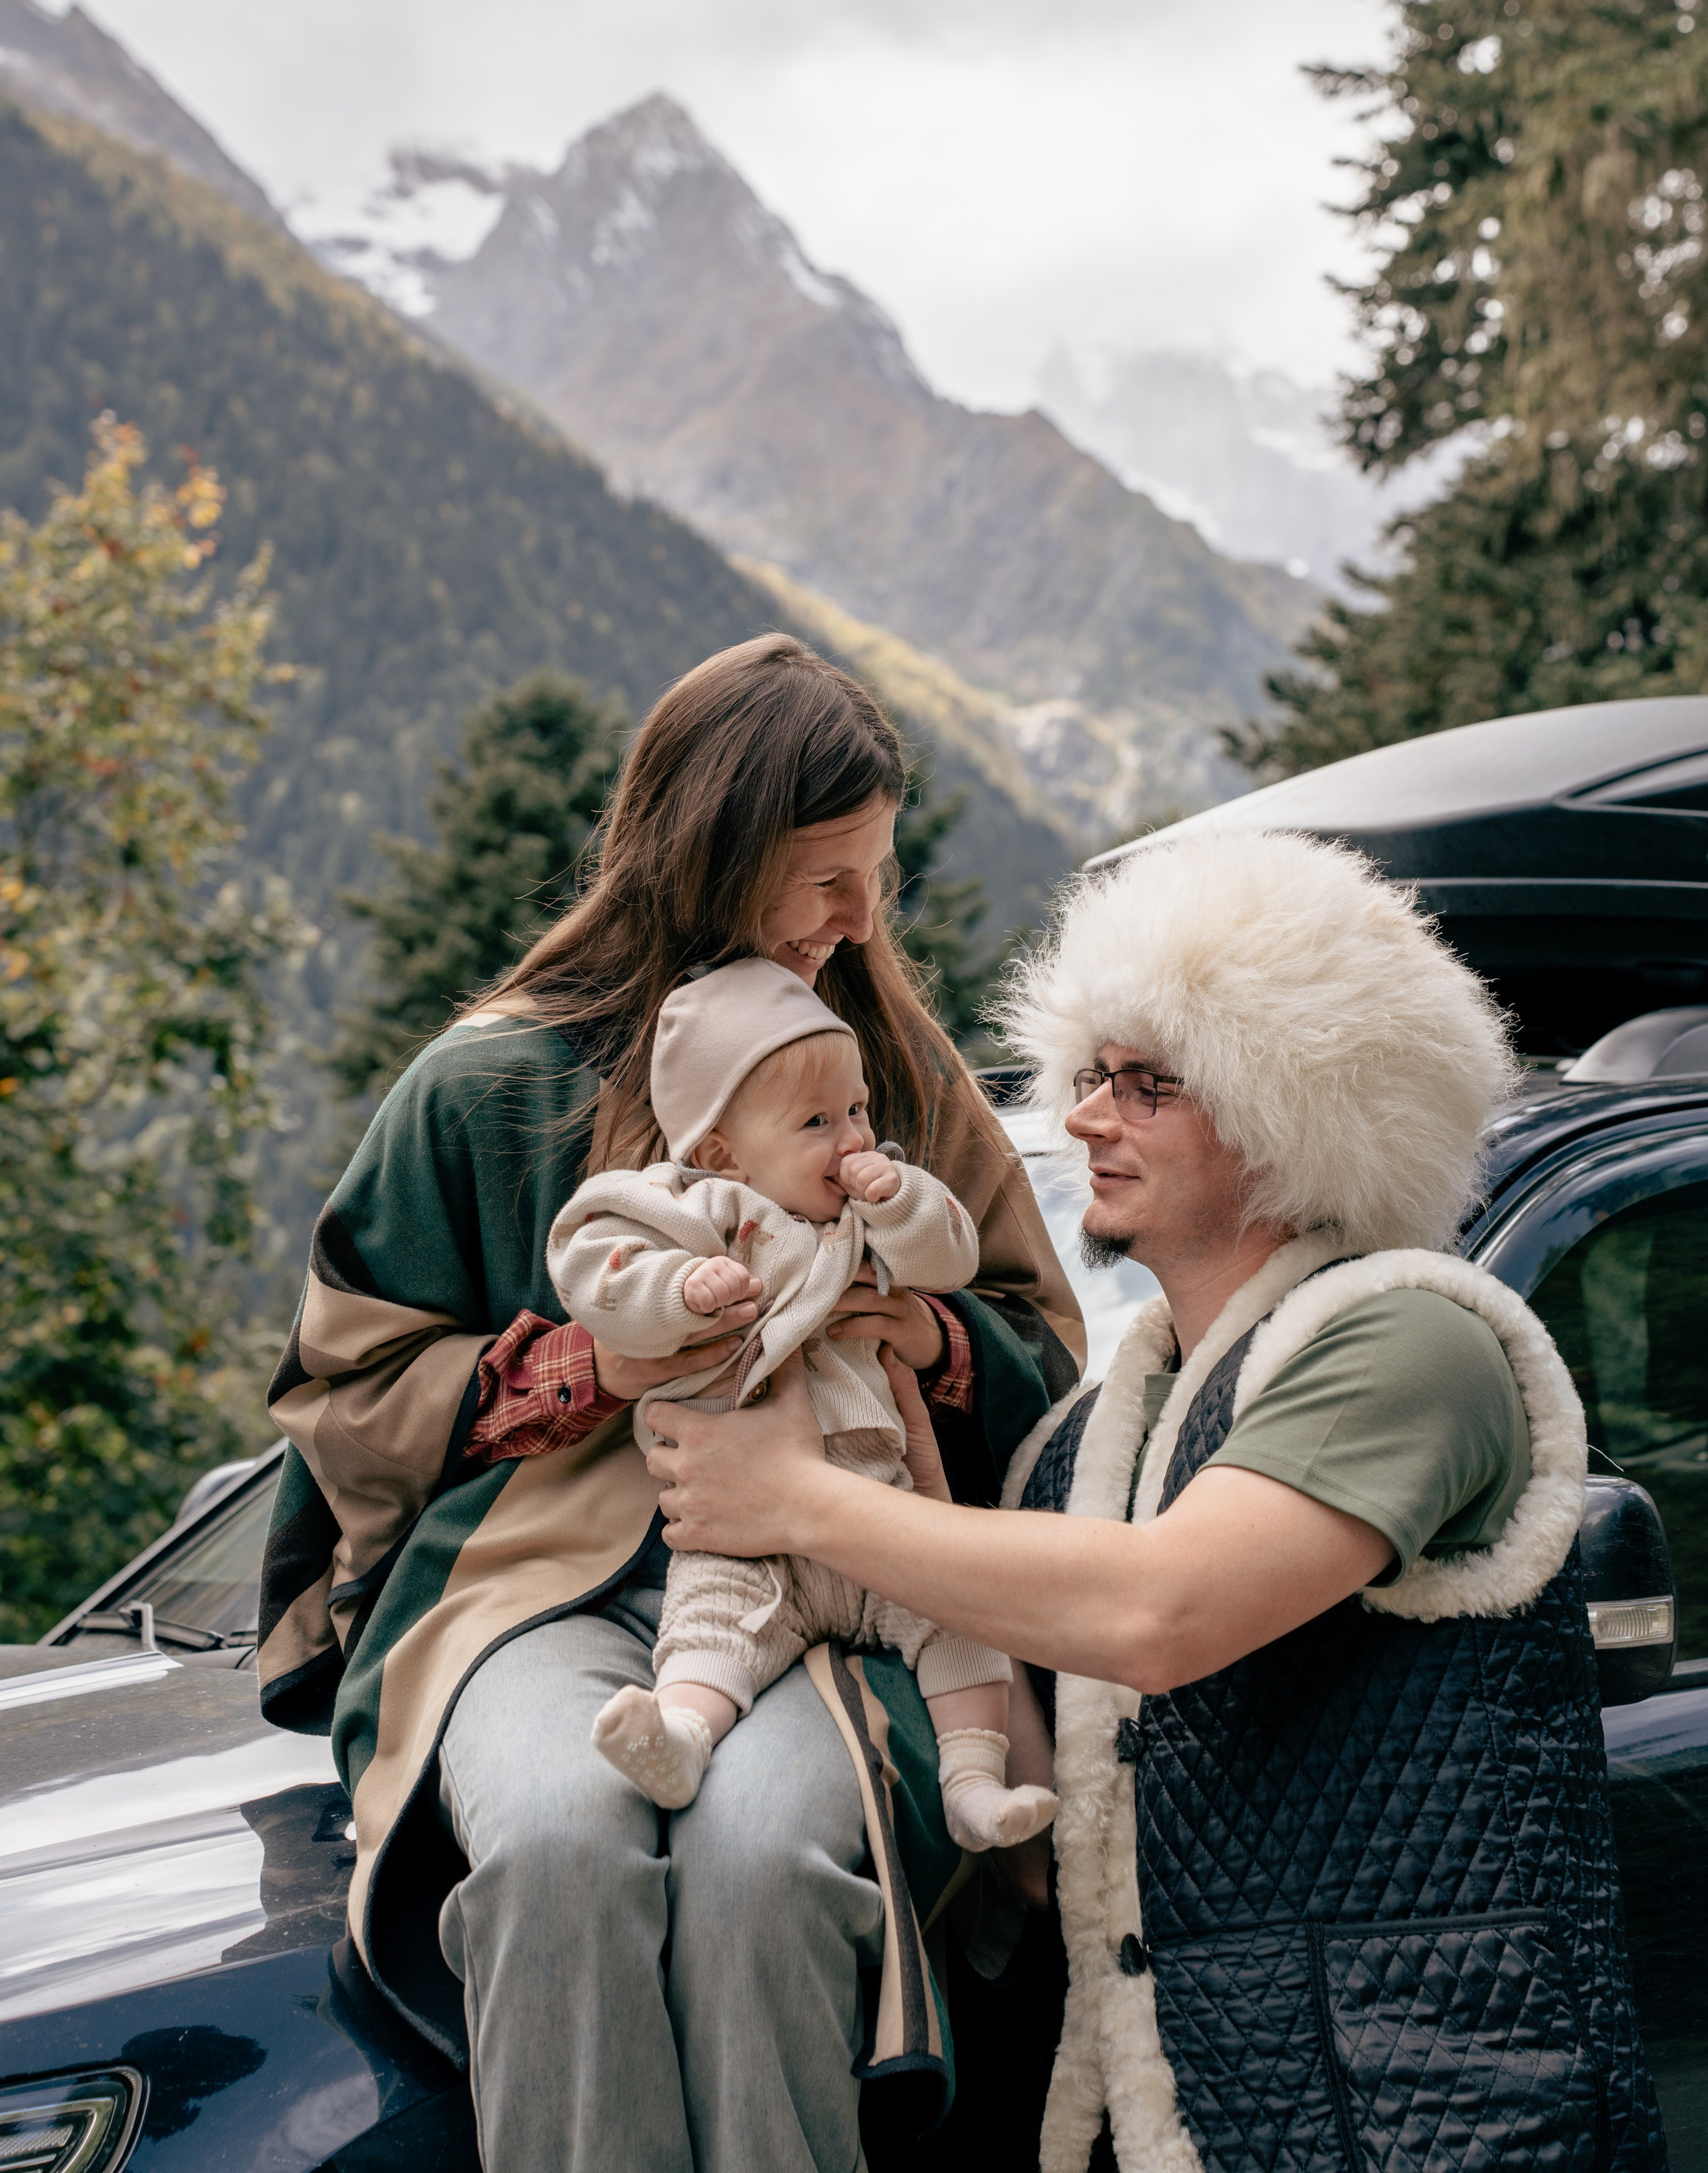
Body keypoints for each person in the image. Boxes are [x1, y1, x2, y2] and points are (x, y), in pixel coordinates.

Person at [649, 829, 1667, 2173]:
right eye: (1087, 1077)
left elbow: (1161, 1613)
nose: (1082, 1120)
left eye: (1145, 1085)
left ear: (1290, 1099)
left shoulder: (1406, 1341)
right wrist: (892, 1454)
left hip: (1427, 2124)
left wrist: (794, 1502)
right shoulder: (1085, 1449)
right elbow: (1043, 1844)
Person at [254, 632, 1084, 2173]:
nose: (857, 919)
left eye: (874, 876)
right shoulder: (488, 1086)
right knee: (559, 1851)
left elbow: (1040, 1341)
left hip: (838, 1589)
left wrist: (925, 1336)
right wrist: (589, 1368)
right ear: (704, 854)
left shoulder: (891, 1076)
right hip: (526, 1594)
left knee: (772, 1864)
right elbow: (343, 1389)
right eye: (821, 875)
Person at [553, 955, 1059, 1854]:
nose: (852, 1137)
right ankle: (681, 1738)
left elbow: (953, 1257)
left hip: (879, 1510)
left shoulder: (871, 1213)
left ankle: (973, 1783)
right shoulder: (694, 1209)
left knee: (960, 1623)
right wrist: (679, 1288)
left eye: (857, 1109)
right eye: (817, 1121)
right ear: (720, 1154)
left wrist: (902, 1201)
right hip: (746, 1532)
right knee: (709, 1632)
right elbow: (592, 1268)